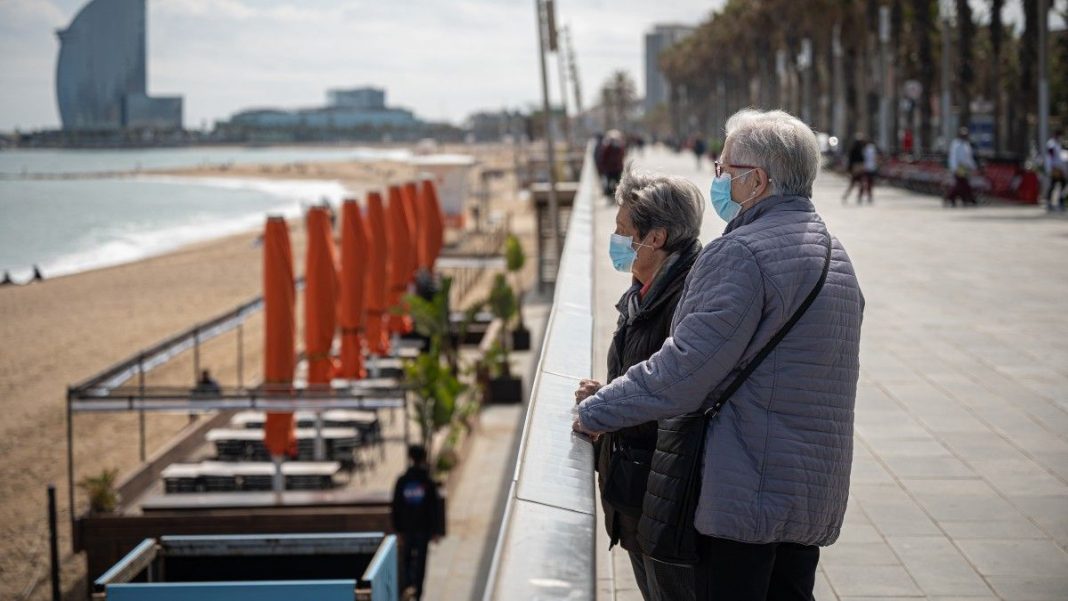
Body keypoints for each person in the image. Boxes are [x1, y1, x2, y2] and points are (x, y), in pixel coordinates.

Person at [574, 109, 864, 601]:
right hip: (808, 498)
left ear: (757, 181)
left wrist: (598, 411)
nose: (718, 180)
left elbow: (684, 370)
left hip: (743, 499)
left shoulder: (742, 253)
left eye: (725, 171)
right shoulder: (835, 256)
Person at [574, 167, 704, 601]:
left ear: (656, 237)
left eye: (623, 230)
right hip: (636, 496)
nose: (615, 239)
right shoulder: (643, 293)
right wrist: (606, 398)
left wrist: (609, 412)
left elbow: (674, 393)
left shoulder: (687, 300)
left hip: (665, 503)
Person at [391, 445, 443, 601]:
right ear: (424, 459)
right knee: (421, 562)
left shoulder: (402, 480)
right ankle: (417, 592)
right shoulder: (428, 482)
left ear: (410, 458)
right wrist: (435, 530)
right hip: (423, 529)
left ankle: (408, 585)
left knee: (406, 559)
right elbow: (435, 508)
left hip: (406, 529)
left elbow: (396, 506)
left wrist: (397, 529)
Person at [946, 127, 978, 207]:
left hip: (965, 168)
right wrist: (954, 168)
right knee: (961, 184)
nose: (964, 136)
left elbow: (968, 158)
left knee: (962, 184)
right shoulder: (956, 144)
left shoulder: (966, 145)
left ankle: (960, 199)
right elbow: (953, 157)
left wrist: (973, 167)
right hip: (958, 168)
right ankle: (953, 198)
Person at [1045, 129, 1066, 212]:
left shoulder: (1057, 144)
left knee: (1061, 184)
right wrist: (1050, 168)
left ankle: (1059, 201)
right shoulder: (1052, 144)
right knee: (1054, 184)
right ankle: (1050, 202)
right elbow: (1050, 157)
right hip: (1055, 168)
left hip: (1059, 167)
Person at [602, 130, 627, 199]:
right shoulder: (609, 147)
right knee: (612, 182)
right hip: (612, 168)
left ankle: (616, 193)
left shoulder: (619, 146)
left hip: (615, 168)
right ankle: (611, 193)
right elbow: (604, 157)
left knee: (616, 182)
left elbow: (621, 156)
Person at [842, 134, 866, 204]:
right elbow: (851, 161)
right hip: (856, 170)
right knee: (854, 185)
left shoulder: (860, 150)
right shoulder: (855, 150)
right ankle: (848, 196)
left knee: (857, 185)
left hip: (857, 169)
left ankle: (858, 197)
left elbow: (851, 161)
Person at [861, 139, 878, 204]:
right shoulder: (872, 148)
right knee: (870, 183)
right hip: (872, 167)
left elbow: (864, 158)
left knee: (864, 182)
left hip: (866, 167)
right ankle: (869, 195)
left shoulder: (865, 149)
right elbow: (875, 158)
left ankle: (864, 195)